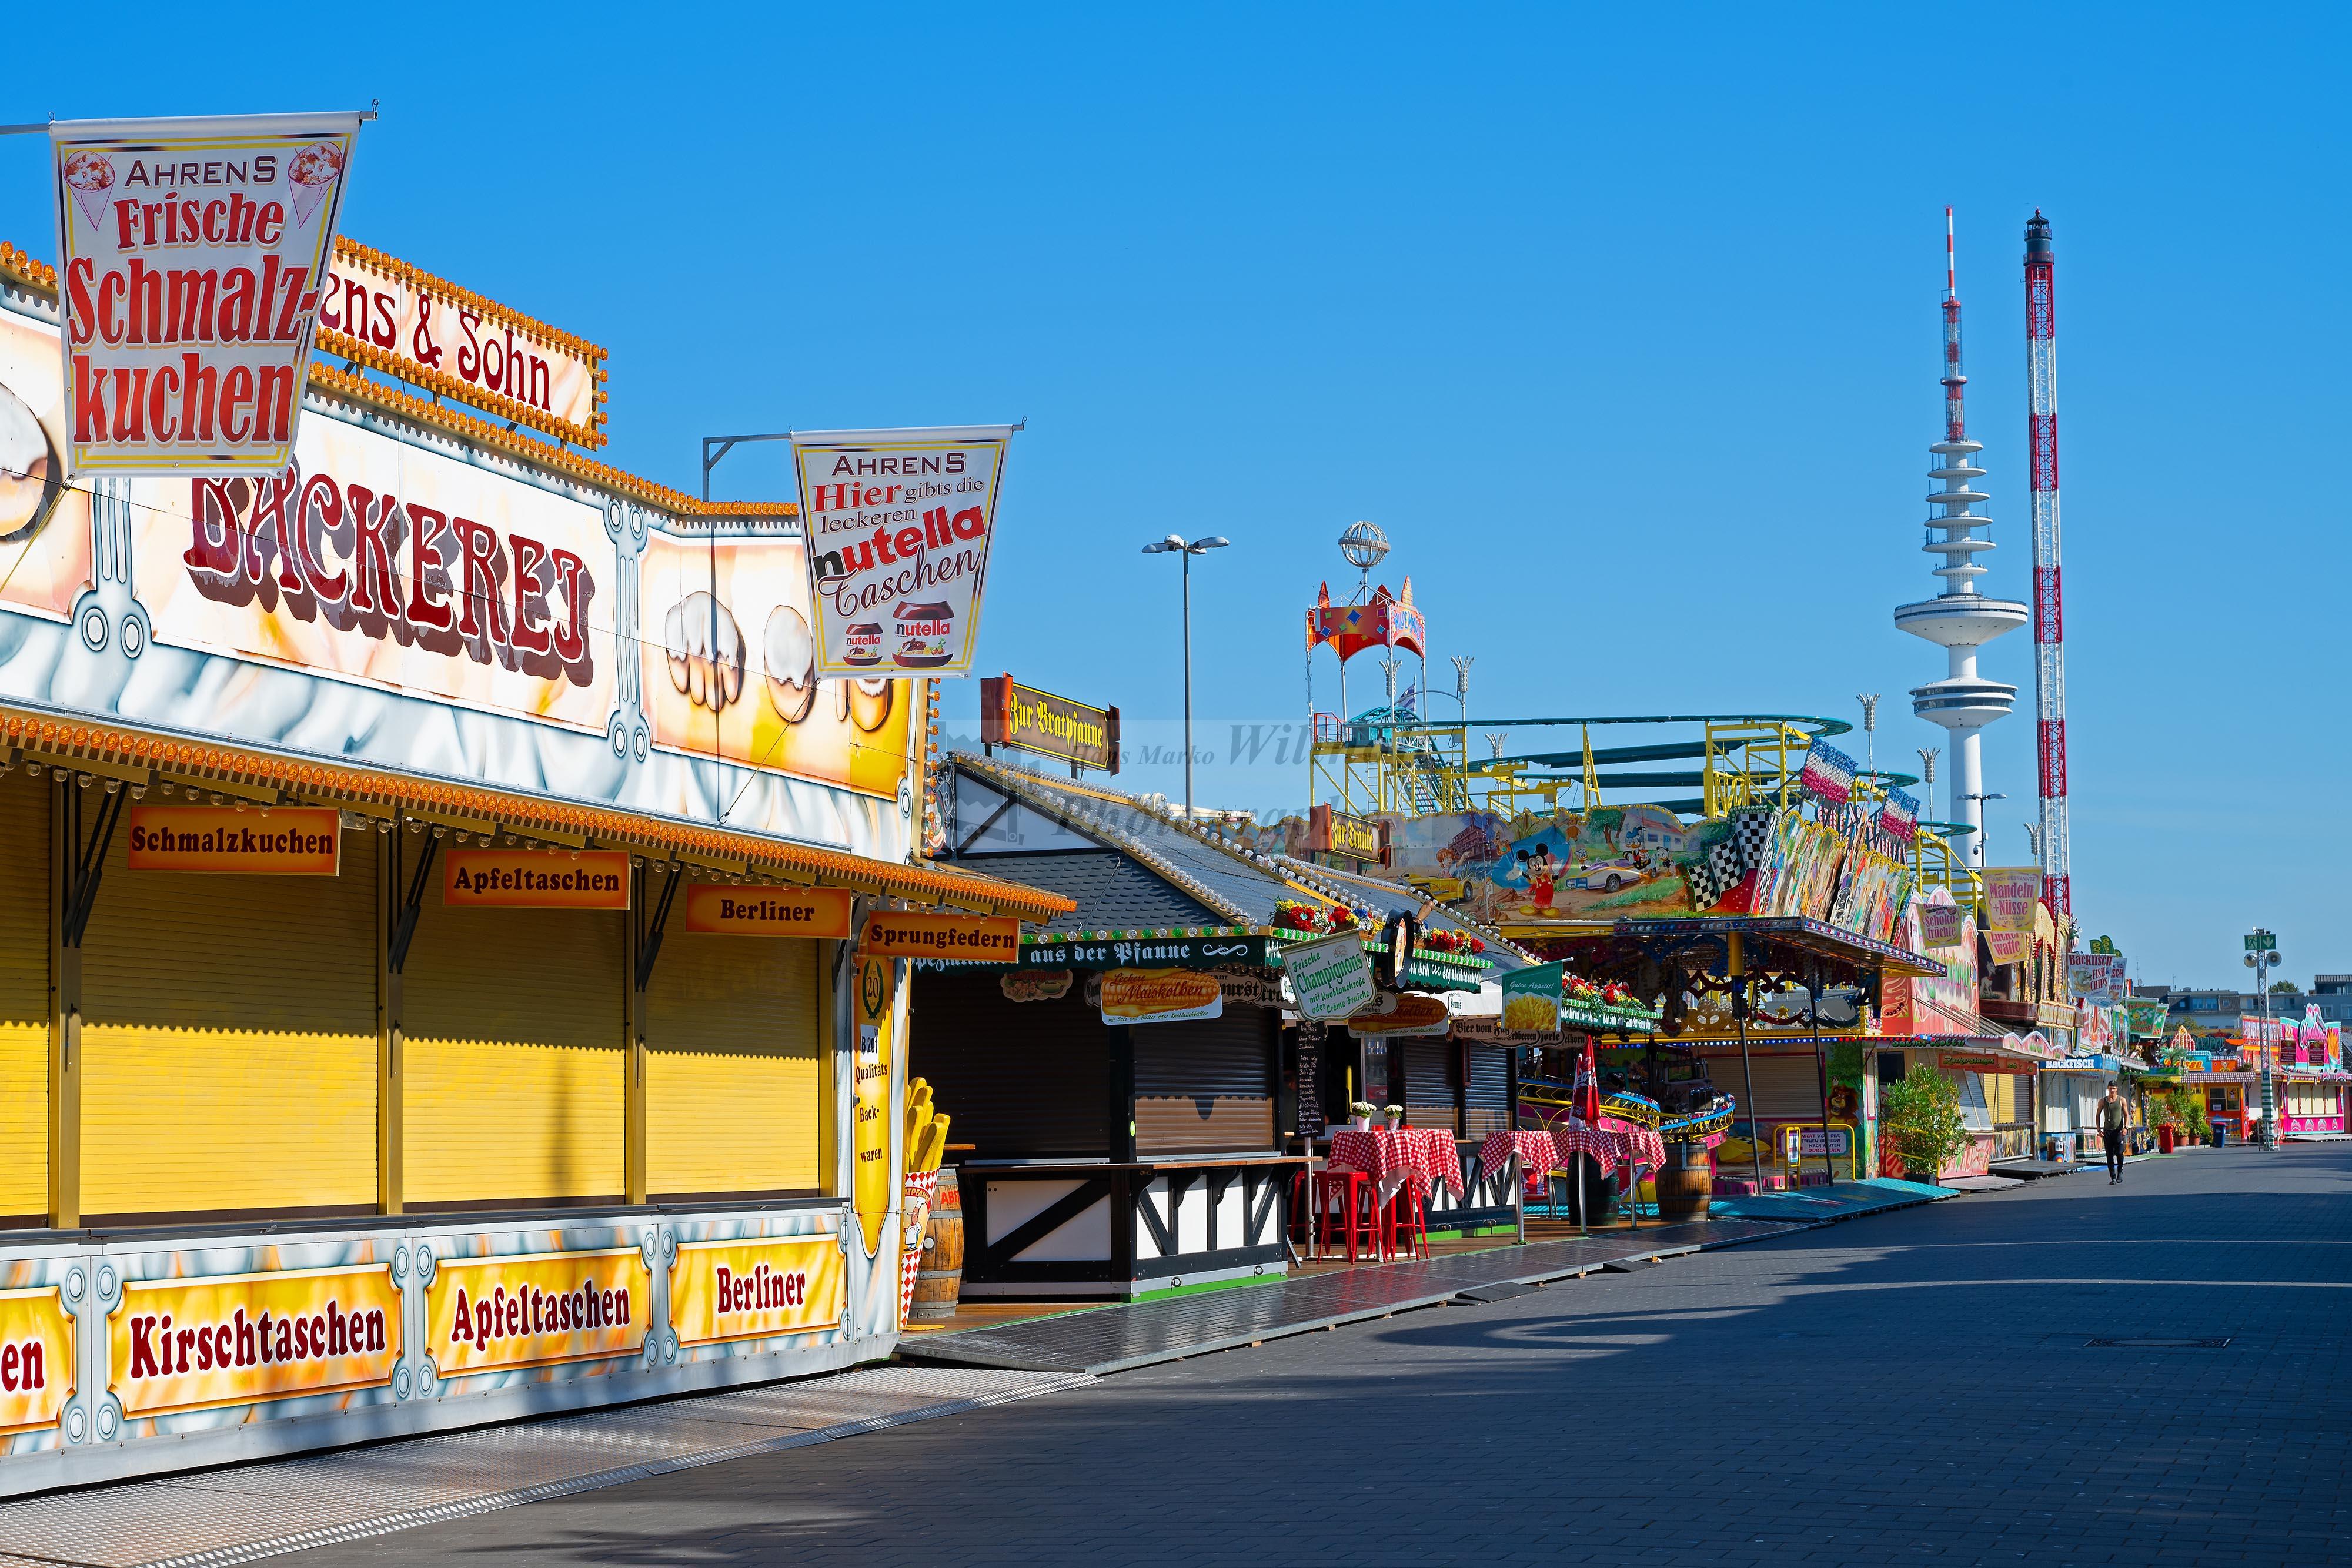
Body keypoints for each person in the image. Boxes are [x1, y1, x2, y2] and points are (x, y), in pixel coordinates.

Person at [2098, 1085, 2130, 1183]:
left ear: (2117, 1090)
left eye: (2114, 1089)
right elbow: (2097, 1115)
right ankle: (2113, 1177)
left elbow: (2126, 1115)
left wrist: (2126, 1127)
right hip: (2107, 1131)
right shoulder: (2103, 1101)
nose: (2112, 1090)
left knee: (2119, 1152)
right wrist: (2099, 1130)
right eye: (2111, 1088)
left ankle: (2120, 1170)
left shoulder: (2121, 1100)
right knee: (2109, 1155)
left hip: (2118, 1131)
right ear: (2108, 1089)